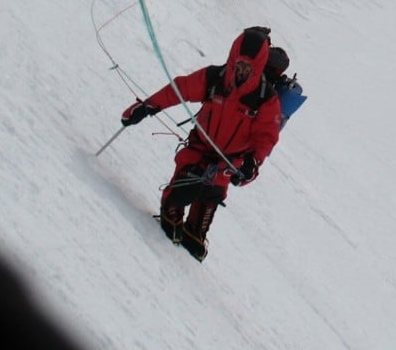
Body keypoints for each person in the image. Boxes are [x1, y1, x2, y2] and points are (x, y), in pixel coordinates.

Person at [119, 27, 283, 261]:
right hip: (199, 148)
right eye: (239, 64)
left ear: (257, 69)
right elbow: (181, 88)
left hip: (228, 161)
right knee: (180, 195)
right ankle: (167, 221)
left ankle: (191, 245)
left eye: (248, 67)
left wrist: (252, 164)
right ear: (232, 58)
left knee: (204, 213)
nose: (242, 71)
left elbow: (266, 136)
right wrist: (147, 106)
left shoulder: (265, 99)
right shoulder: (215, 79)